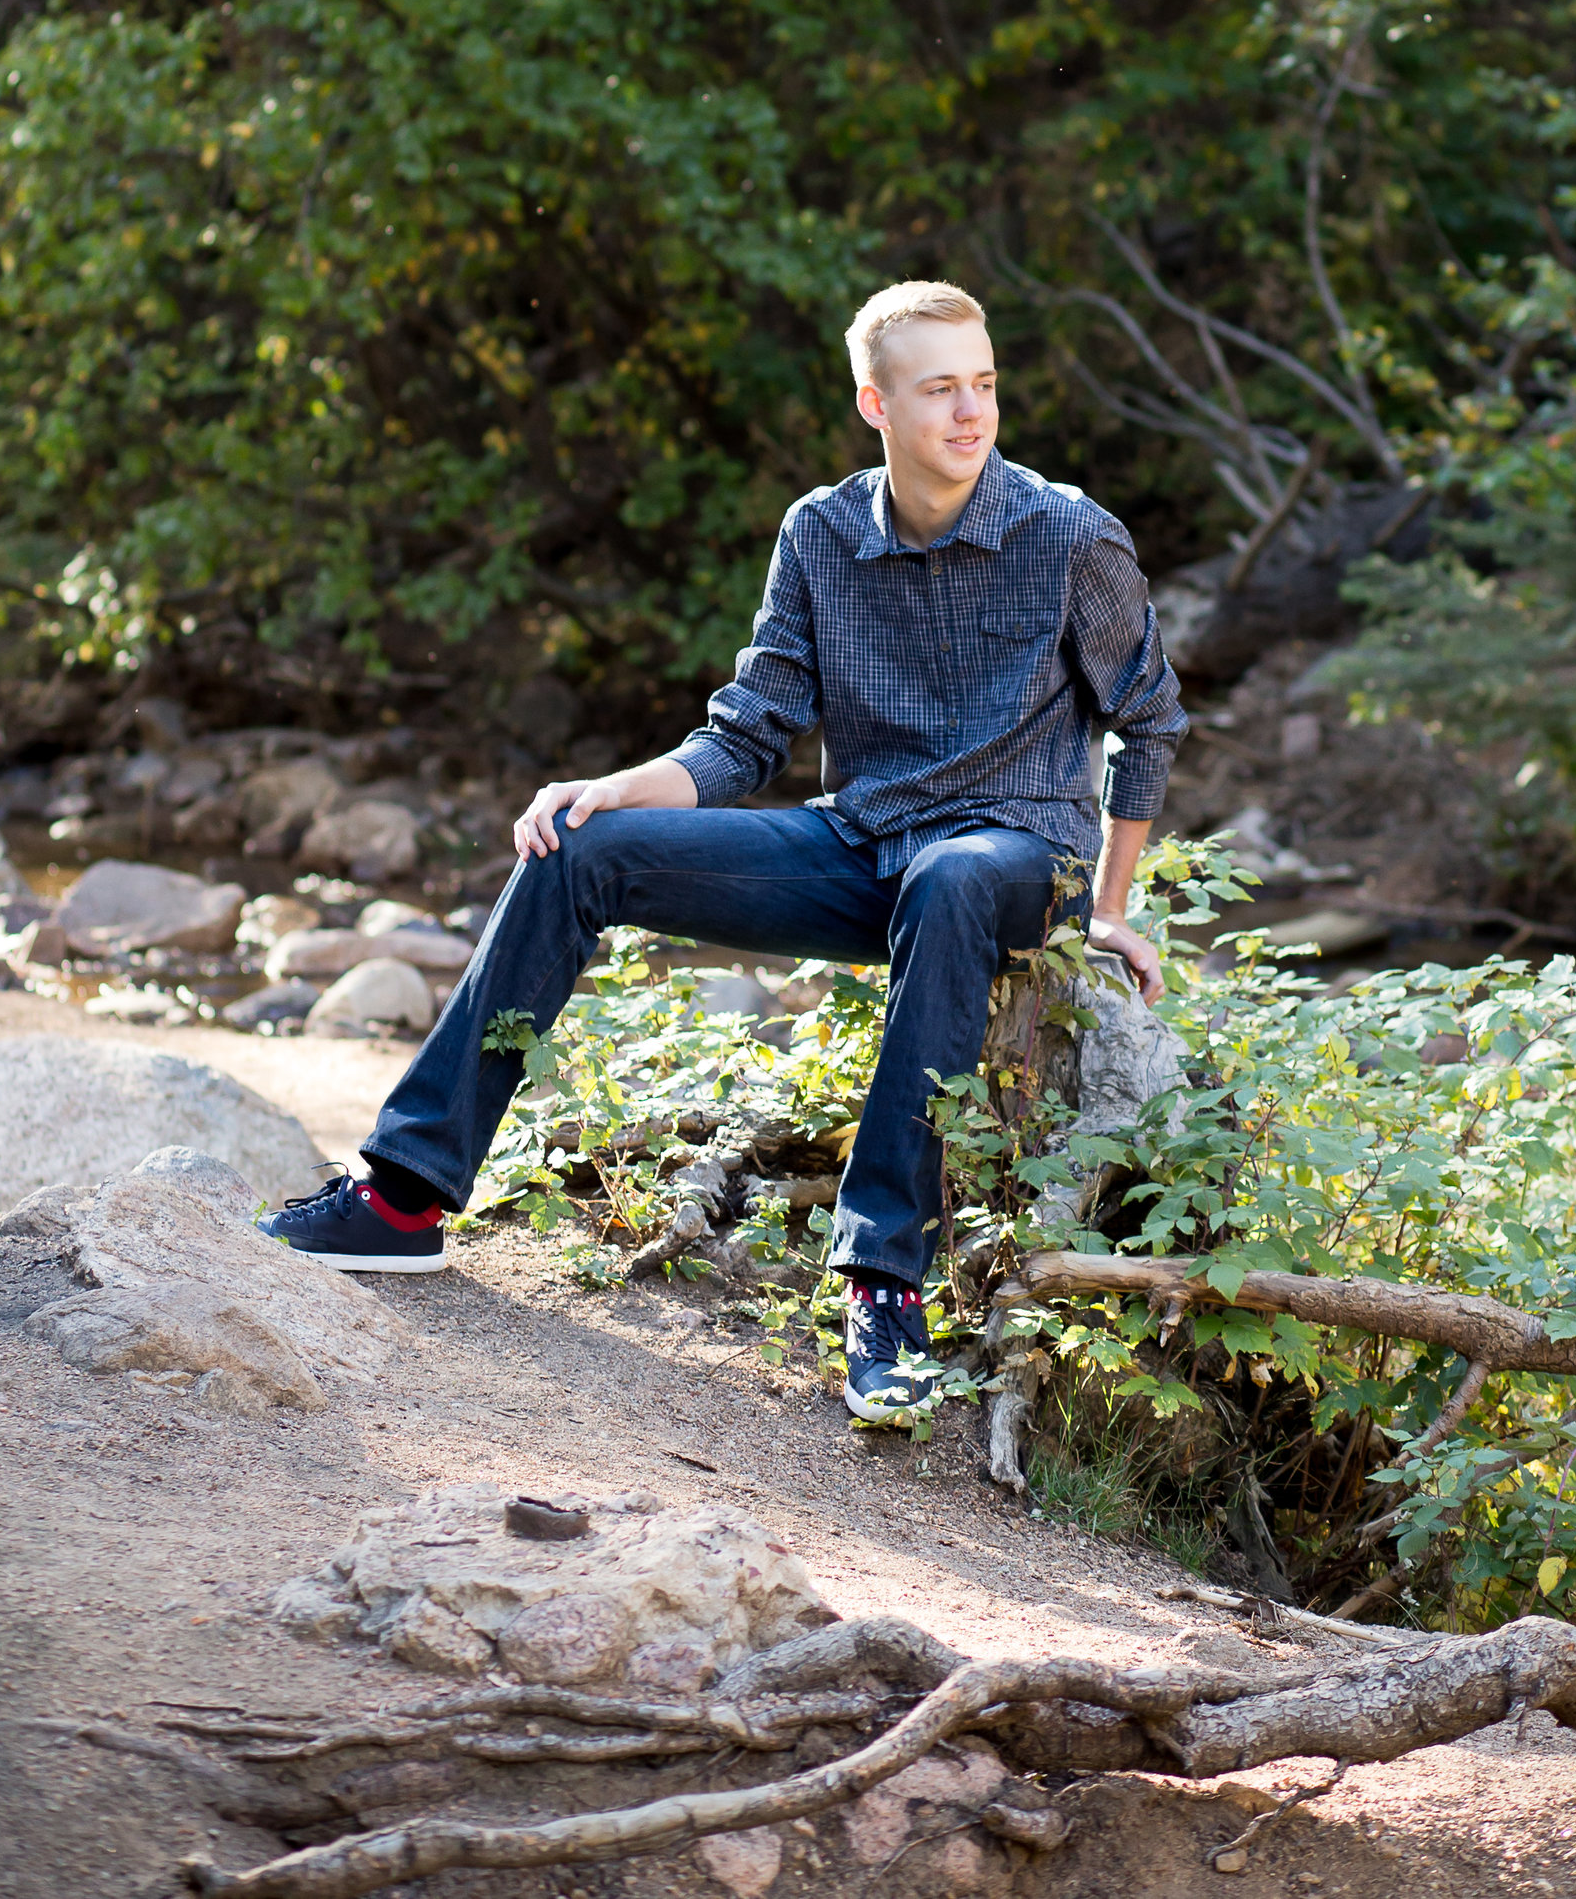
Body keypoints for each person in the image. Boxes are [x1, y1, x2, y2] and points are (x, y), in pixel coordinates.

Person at [262, 278, 1189, 1422]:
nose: (970, 411)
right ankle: (401, 1197)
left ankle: (882, 1286)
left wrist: (1101, 905)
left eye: (984, 384)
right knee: (577, 852)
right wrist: (608, 790)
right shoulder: (822, 533)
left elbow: (1150, 720)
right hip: (864, 847)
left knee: (955, 878)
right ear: (876, 404)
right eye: (940, 388)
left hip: (1014, 858)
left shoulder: (1069, 537)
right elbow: (747, 735)